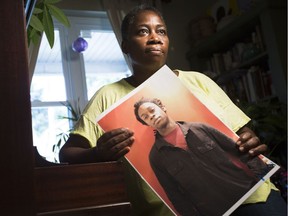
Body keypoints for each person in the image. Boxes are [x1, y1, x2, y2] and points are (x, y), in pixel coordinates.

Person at [59, 4, 286, 216]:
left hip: (253, 199)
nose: (155, 38)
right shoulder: (107, 97)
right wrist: (98, 153)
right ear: (125, 45)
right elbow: (67, 154)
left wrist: (250, 141)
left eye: (161, 31)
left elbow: (245, 133)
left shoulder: (199, 81)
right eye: (142, 32)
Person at [133, 97, 273, 216]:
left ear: (162, 107)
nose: (150, 116)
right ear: (146, 123)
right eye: (145, 117)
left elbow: (239, 150)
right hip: (215, 211)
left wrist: (265, 173)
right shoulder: (156, 157)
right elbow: (175, 195)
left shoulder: (200, 128)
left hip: (249, 196)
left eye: (151, 110)